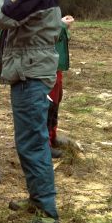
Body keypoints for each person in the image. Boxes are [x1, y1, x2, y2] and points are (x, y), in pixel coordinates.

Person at [0, 0, 62, 223]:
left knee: (33, 143)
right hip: (27, 70)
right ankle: (36, 199)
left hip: (31, 73)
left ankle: (48, 217)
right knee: (27, 141)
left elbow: (2, 17)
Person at [48, 15, 74, 158]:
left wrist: (63, 26)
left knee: (56, 100)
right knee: (48, 104)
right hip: (45, 67)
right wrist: (61, 25)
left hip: (55, 65)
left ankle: (52, 136)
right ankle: (45, 143)